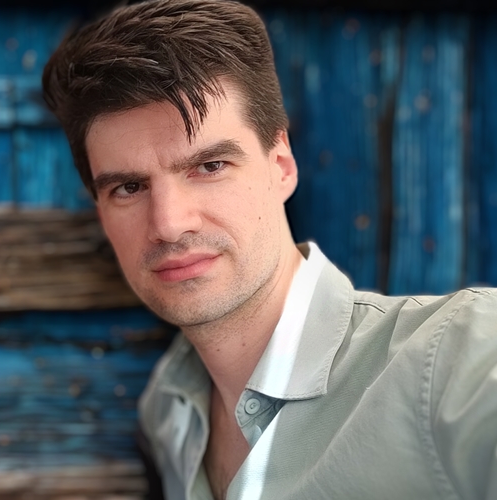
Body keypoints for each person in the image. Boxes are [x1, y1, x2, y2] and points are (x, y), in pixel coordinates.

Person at [42, 1, 497, 499]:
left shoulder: (455, 358)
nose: (169, 225)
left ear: (281, 165)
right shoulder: (170, 413)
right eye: (129, 187)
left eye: (210, 166)